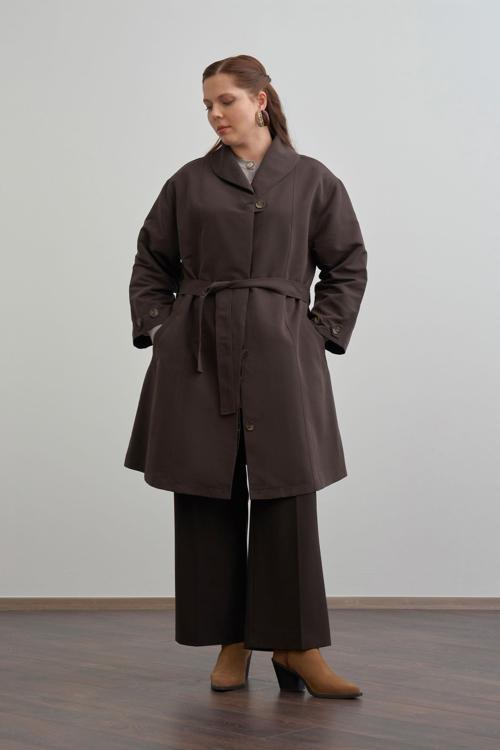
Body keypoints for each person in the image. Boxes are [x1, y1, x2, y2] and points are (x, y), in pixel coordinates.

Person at [124, 54, 368, 699]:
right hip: (199, 353)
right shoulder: (188, 182)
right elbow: (151, 262)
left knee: (288, 493)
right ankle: (230, 642)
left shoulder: (313, 180)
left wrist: (318, 334)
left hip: (283, 355)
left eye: (226, 100)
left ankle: (297, 648)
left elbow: (347, 263)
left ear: (261, 99)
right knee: (209, 492)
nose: (215, 114)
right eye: (207, 105)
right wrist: (162, 328)